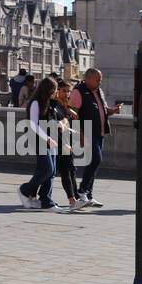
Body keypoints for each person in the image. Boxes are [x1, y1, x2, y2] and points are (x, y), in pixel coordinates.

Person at [69, 67, 119, 208]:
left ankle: (89, 195)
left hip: (99, 132)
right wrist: (81, 134)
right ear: (88, 78)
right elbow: (73, 115)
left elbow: (103, 110)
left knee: (94, 163)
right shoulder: (78, 92)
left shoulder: (98, 91)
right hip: (88, 132)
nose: (100, 82)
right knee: (96, 159)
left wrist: (112, 111)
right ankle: (81, 191)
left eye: (101, 79)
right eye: (97, 79)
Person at [17, 78, 66, 211]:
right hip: (38, 139)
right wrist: (48, 138)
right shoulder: (35, 103)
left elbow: (55, 118)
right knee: (47, 169)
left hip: (51, 139)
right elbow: (34, 124)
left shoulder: (49, 103)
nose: (55, 94)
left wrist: (59, 123)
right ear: (48, 91)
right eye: (54, 91)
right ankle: (25, 190)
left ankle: (45, 200)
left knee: (51, 171)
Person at [49, 77, 87, 210]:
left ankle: (75, 197)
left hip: (67, 142)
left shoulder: (66, 106)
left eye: (69, 91)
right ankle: (72, 200)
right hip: (59, 143)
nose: (67, 94)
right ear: (58, 91)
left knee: (69, 170)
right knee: (65, 171)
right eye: (64, 91)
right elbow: (55, 126)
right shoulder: (55, 105)